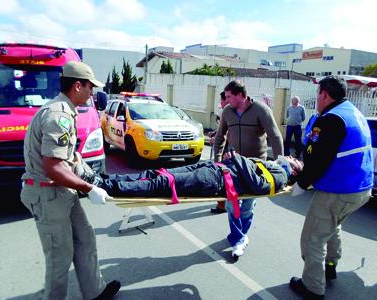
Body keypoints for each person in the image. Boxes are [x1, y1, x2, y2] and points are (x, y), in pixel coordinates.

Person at [20, 61, 120, 300]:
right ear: (77, 86)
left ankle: (95, 292)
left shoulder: (66, 111)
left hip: (62, 191)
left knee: (85, 238)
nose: (92, 93)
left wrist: (94, 178)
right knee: (59, 257)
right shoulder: (58, 116)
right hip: (48, 194)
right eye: (90, 87)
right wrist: (88, 188)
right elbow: (53, 167)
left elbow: (69, 158)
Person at [289, 76, 373, 299]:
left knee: (313, 238)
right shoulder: (353, 112)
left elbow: (318, 160)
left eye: (317, 94)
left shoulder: (330, 119)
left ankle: (313, 287)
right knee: (333, 226)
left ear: (324, 94)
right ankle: (331, 266)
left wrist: (300, 183)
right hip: (362, 189)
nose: (316, 99)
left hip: (338, 190)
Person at [213, 80, 283, 258]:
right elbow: (220, 136)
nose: (226, 100)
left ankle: (239, 237)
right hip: (234, 165)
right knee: (231, 204)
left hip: (256, 167)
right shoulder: (227, 112)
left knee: (248, 206)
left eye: (229, 96)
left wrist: (280, 162)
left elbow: (275, 136)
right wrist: (217, 161)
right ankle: (239, 239)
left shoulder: (261, 110)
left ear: (240, 95)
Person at [77, 152, 302, 205]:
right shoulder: (272, 163)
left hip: (215, 180)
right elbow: (246, 166)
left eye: (294, 160)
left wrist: (239, 158)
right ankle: (100, 178)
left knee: (162, 184)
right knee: (158, 174)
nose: (290, 157)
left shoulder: (281, 175)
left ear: (293, 171)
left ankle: (102, 185)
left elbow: (260, 185)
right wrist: (234, 158)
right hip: (213, 168)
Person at [209, 91, 229, 214]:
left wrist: (216, 138)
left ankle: (222, 205)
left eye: (222, 100)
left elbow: (225, 133)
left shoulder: (226, 111)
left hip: (226, 149)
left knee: (223, 177)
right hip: (227, 148)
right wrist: (215, 133)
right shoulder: (231, 111)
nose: (220, 103)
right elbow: (223, 129)